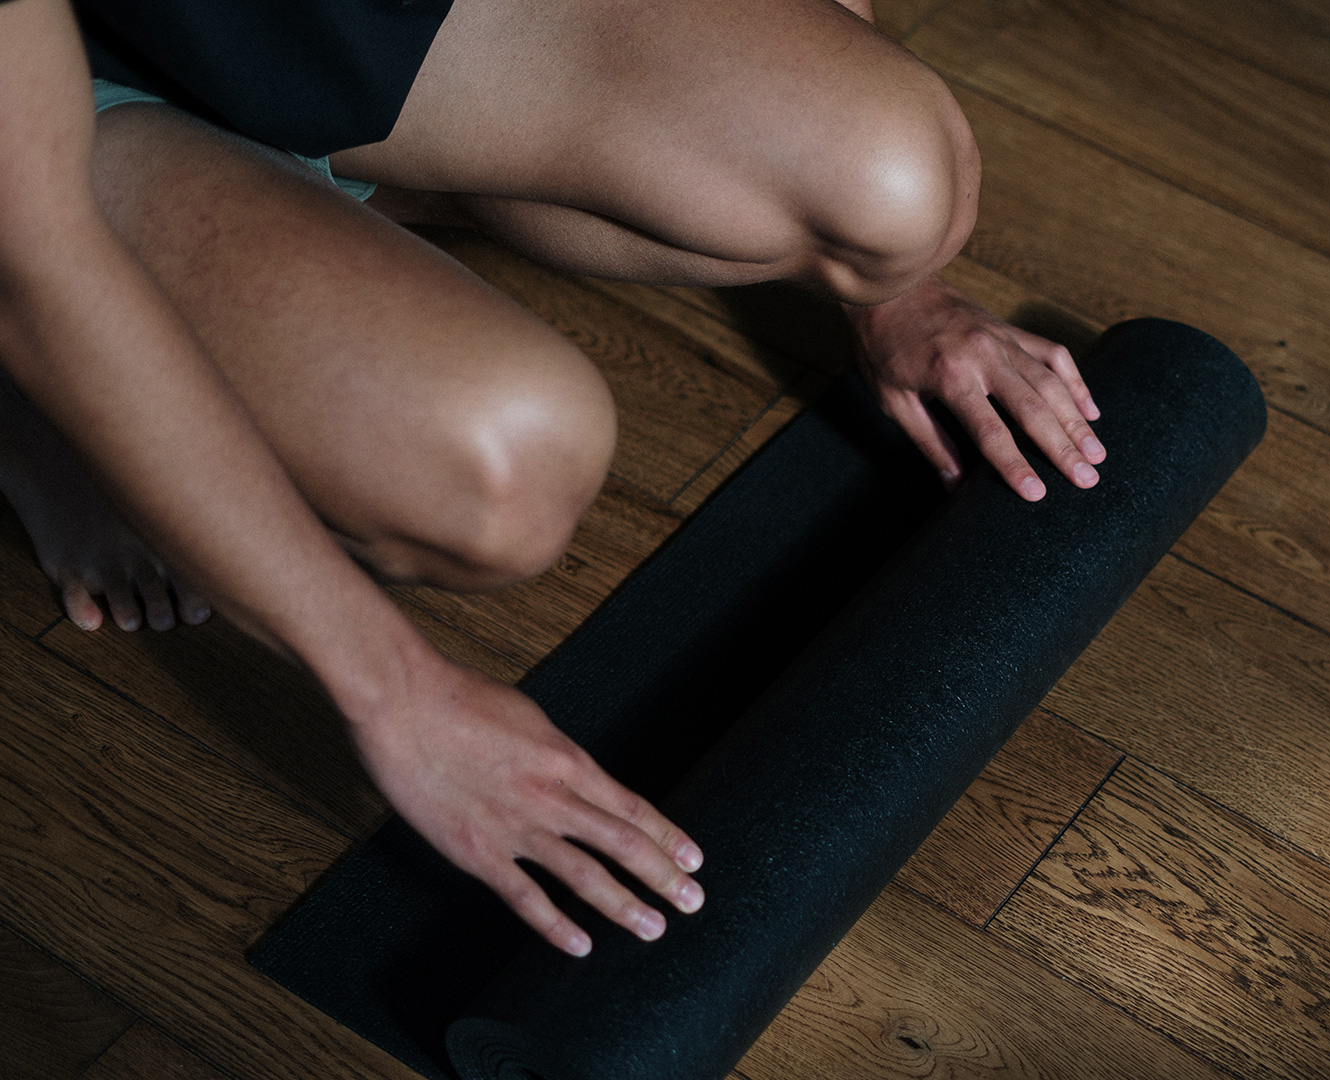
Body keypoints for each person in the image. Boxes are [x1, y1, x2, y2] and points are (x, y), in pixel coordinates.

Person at [0, 0, 1107, 958]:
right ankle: (39, 394)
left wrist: (898, 295)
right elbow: (35, 259)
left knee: (893, 186)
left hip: (303, 32)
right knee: (495, 472)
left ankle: (356, 199)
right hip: (39, 134)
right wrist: (395, 694)